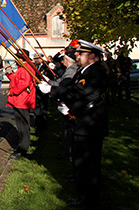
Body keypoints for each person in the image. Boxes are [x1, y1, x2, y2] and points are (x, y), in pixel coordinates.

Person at [39, 40, 108, 208]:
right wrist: (67, 105)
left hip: (90, 125)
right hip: (83, 121)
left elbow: (80, 92)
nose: (76, 54)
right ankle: (83, 198)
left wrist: (53, 91)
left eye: (80, 53)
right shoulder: (86, 70)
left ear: (91, 56)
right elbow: (76, 92)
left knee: (88, 165)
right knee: (81, 163)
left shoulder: (95, 71)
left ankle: (89, 201)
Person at [5, 49, 36, 159]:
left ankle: (23, 149)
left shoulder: (25, 68)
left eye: (17, 57)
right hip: (20, 101)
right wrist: (9, 72)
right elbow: (15, 79)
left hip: (22, 101)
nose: (15, 59)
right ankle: (22, 145)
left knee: (22, 125)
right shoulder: (22, 68)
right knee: (22, 125)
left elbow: (23, 83)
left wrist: (12, 91)